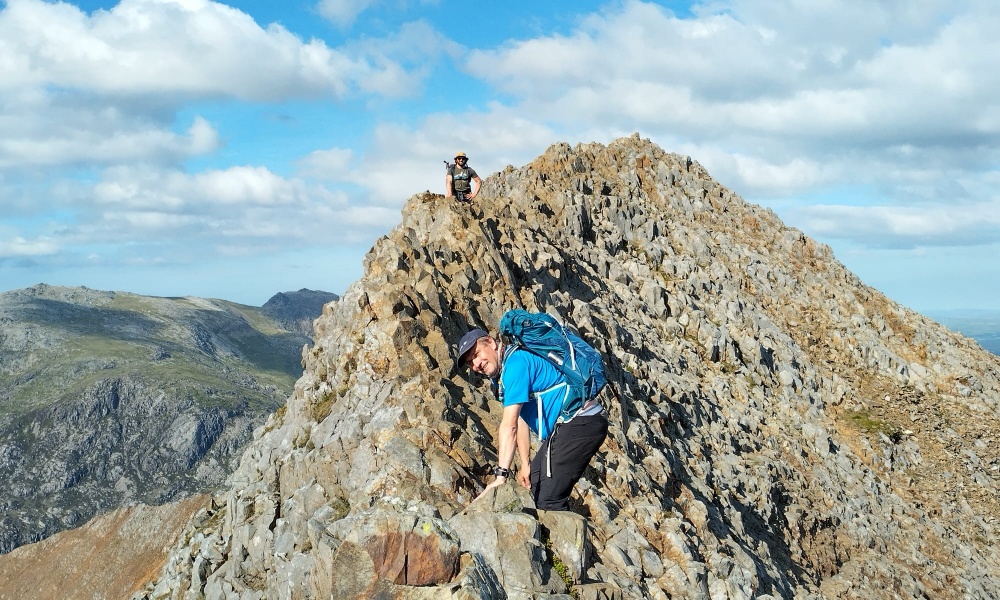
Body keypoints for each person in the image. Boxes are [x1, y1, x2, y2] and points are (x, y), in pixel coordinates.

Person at [457, 327, 608, 511]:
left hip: (581, 422)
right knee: (535, 484)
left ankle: (567, 536)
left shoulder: (515, 364)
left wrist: (500, 477)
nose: (476, 364)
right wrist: (525, 463)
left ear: (491, 342)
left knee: (548, 500)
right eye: (470, 362)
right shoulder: (505, 370)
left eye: (476, 354)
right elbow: (522, 418)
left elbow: (509, 425)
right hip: (571, 425)